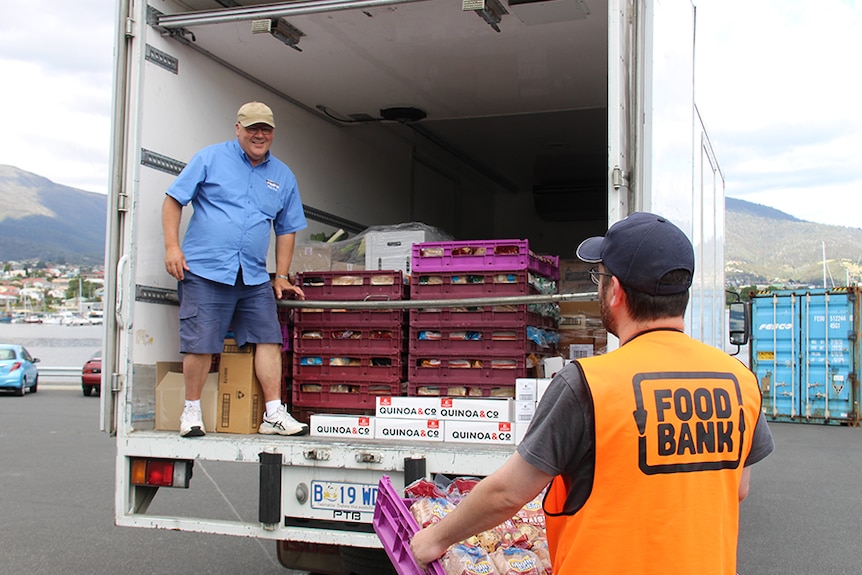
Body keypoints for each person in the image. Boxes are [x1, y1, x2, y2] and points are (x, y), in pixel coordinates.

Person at [410, 212, 774, 574]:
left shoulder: (587, 384)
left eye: (598, 276)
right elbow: (736, 487)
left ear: (615, 291)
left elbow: (507, 493)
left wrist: (436, 538)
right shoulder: (738, 379)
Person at [162, 101, 309, 438]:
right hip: (205, 270)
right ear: (238, 128)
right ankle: (191, 413)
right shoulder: (210, 158)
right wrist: (173, 247)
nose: (260, 134)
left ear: (273, 133)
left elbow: (287, 228)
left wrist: (282, 275)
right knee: (200, 343)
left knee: (269, 338)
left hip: (254, 275)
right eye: (253, 127)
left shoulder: (283, 176)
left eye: (266, 129)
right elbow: (173, 200)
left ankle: (273, 414)